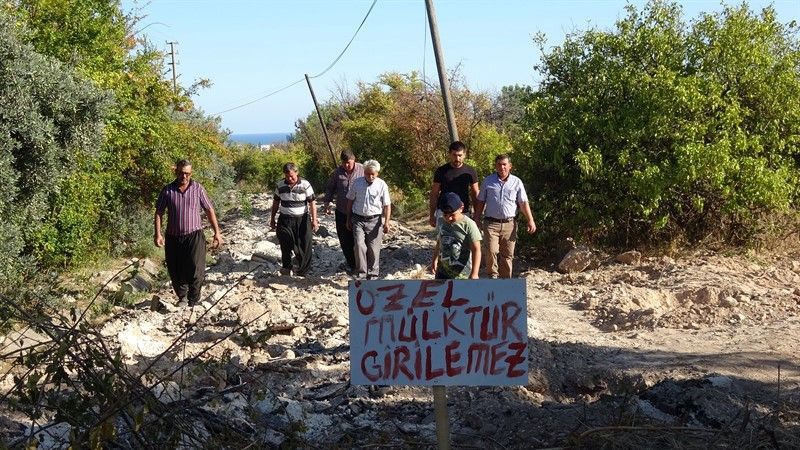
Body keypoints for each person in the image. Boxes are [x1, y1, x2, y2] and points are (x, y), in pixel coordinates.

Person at [154, 159, 223, 306]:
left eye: (187, 174)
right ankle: (182, 297)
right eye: (180, 173)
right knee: (176, 268)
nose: (183, 176)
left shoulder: (198, 189)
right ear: (176, 172)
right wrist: (158, 234)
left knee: (196, 268)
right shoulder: (167, 190)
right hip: (173, 236)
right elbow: (159, 212)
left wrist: (217, 232)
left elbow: (209, 209)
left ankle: (193, 299)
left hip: (194, 235)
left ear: (191, 174)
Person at [474, 154, 536, 279]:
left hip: (510, 224)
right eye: (499, 164)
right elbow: (481, 201)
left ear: (510, 166)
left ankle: (505, 281)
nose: (502, 167)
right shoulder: (488, 181)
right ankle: (493, 278)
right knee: (491, 251)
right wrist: (477, 218)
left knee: (507, 255)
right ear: (495, 166)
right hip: (491, 223)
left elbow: (523, 202)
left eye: (504, 164)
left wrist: (530, 220)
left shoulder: (517, 182)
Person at [270, 163, 319, 276]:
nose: (290, 178)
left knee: (304, 243)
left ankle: (303, 270)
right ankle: (287, 267)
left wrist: (314, 220)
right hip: (285, 219)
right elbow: (276, 202)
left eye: (292, 176)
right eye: (287, 176)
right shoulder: (280, 185)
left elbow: (312, 203)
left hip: (302, 219)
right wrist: (272, 218)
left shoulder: (305, 184)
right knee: (285, 241)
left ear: (296, 173)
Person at [346, 160, 391, 280]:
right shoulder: (357, 183)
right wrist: (348, 218)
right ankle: (361, 274)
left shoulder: (382, 185)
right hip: (358, 219)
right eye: (367, 173)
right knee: (359, 245)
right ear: (364, 172)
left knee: (373, 249)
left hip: (375, 221)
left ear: (377, 173)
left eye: (373, 174)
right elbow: (350, 200)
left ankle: (373, 276)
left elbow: (387, 205)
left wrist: (386, 222)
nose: (370, 176)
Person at [323, 150, 364, 274]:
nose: (346, 165)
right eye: (344, 163)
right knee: (345, 241)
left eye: (348, 162)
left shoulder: (363, 170)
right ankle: (352, 265)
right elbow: (330, 188)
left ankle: (362, 265)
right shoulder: (337, 172)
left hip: (358, 212)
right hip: (341, 211)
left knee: (358, 240)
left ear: (354, 159)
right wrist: (327, 203)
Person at [429, 141, 479, 228]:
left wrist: (477, 215)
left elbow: (475, 193)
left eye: (460, 155)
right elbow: (434, 193)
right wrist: (432, 214)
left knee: (463, 239)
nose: (457, 158)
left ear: (464, 155)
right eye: (454, 155)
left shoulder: (470, 171)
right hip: (443, 211)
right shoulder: (441, 171)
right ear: (449, 154)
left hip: (463, 211)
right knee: (443, 239)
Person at [431, 192, 481, 280]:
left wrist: (475, 273)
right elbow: (439, 242)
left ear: (461, 208)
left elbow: (476, 249)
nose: (448, 218)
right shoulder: (441, 221)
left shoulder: (469, 224)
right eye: (445, 215)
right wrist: (434, 259)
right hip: (442, 271)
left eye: (452, 215)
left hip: (463, 273)